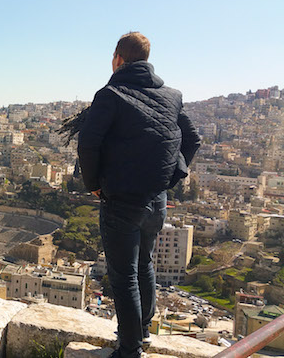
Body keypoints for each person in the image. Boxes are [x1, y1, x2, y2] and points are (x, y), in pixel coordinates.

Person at [77, 32, 201, 358]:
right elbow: (193, 139)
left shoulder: (111, 93)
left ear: (118, 59)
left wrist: (93, 185)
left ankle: (130, 349)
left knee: (123, 275)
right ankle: (143, 332)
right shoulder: (171, 96)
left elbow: (88, 144)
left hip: (121, 199)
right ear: (146, 60)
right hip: (156, 200)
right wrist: (171, 176)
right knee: (144, 264)